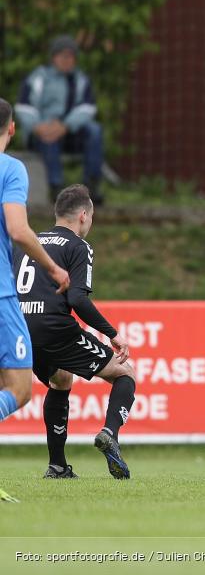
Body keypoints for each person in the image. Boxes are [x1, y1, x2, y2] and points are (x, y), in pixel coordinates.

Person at [14, 184, 135, 480]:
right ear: (83, 215)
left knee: (60, 379)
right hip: (54, 327)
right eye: (91, 217)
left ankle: (57, 466)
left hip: (19, 327)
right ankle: (109, 434)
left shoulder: (27, 242)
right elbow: (77, 299)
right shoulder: (78, 246)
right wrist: (112, 333)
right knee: (125, 373)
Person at [0, 98, 70, 502]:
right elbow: (18, 229)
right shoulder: (11, 169)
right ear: (12, 129)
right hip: (1, 294)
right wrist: (53, 268)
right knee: (20, 388)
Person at [14, 35, 105, 203]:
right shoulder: (38, 77)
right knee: (49, 138)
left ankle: (91, 186)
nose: (67, 60)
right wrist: (38, 126)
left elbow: (87, 108)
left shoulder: (81, 80)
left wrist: (65, 125)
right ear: (53, 57)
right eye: (63, 55)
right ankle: (57, 189)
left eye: (71, 56)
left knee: (94, 131)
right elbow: (24, 106)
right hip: (42, 132)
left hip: (70, 132)